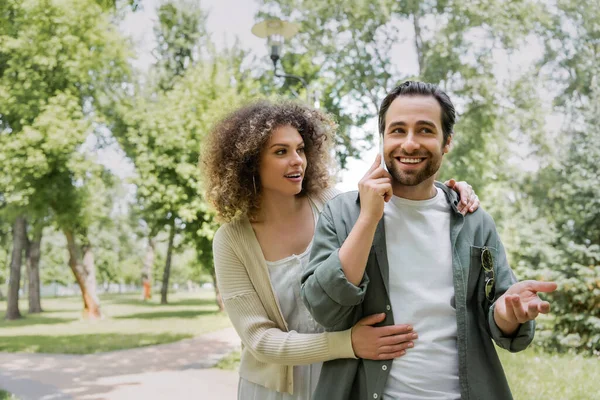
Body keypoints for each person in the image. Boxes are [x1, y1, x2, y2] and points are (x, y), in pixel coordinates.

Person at [202, 99, 480, 400]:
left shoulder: (332, 206)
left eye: (300, 149)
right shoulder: (230, 240)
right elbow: (259, 340)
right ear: (250, 162)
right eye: (281, 152)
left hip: (341, 381)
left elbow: (388, 200)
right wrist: (347, 343)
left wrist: (449, 193)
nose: (297, 160)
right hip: (272, 389)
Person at [301, 81, 558, 400]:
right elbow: (324, 310)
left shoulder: (474, 220)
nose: (409, 144)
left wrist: (507, 313)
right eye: (397, 130)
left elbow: (499, 311)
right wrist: (368, 219)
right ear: (382, 138)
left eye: (424, 130)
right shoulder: (342, 213)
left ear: (446, 141)